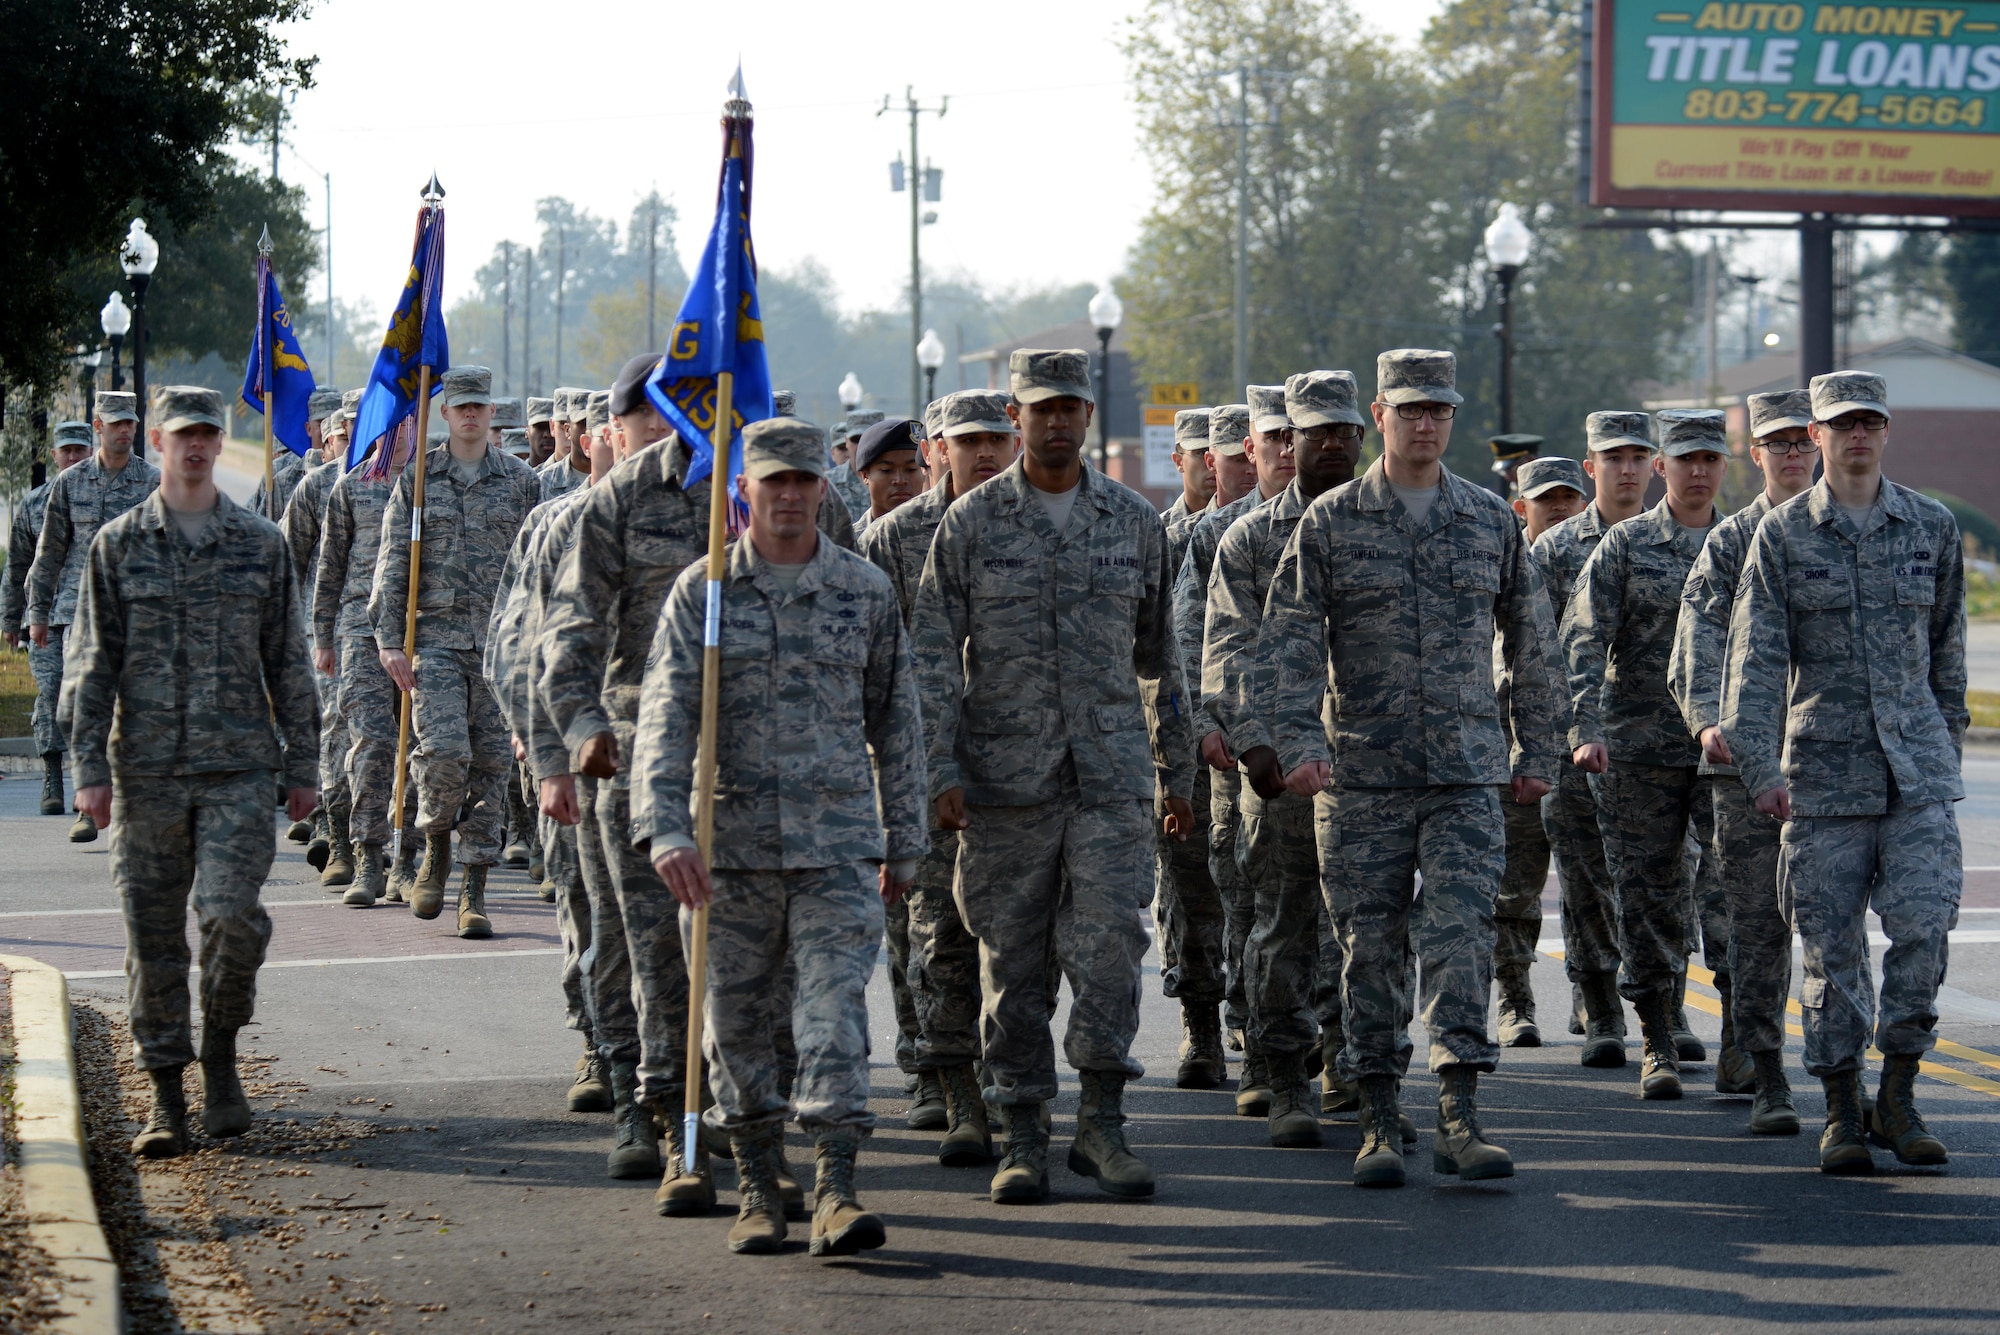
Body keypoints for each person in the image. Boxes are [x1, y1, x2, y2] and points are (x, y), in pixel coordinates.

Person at [1265, 348, 1559, 1189]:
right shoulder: (1330, 522)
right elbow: (1287, 641)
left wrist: (1537, 750)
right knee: (1368, 946)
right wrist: (1298, 743)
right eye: (1409, 409)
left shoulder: (1487, 519)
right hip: (1361, 772)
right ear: (1380, 418)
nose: (1424, 423)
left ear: (1450, 421)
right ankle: (1378, 1114)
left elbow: (1532, 643)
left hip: (1466, 772)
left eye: (1439, 410)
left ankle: (1461, 1111)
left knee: (1461, 935)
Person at [635, 416, 926, 1258]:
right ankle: (760, 1182)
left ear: (823, 489)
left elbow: (897, 719)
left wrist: (903, 838)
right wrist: (663, 830)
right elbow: (665, 717)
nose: (791, 496)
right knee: (735, 1026)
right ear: (745, 493)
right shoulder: (705, 592)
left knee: (834, 1017)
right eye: (775, 483)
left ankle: (837, 1186)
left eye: (804, 481)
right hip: (728, 851)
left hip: (836, 847)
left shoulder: (864, 590)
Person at [913, 348, 1195, 1205]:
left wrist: (1172, 769)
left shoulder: (1132, 521)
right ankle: (1023, 1130)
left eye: (1071, 406)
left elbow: (1163, 659)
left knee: (1112, 951)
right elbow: (930, 655)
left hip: (1109, 779)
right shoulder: (972, 524)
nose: (1059, 421)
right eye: (1042, 408)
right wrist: (938, 769)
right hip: (1006, 783)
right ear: (1016, 416)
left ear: (1086, 415)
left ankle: (1101, 1125)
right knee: (1013, 964)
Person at [1722, 371, 1966, 1174]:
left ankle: (1897, 1093)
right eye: (1842, 423)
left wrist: (1945, 747)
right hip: (1822, 778)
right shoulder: (1783, 535)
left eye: (1870, 422)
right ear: (1816, 435)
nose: (1857, 435)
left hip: (1916, 776)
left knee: (1925, 931)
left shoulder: (1930, 526)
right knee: (1831, 951)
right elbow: (1753, 664)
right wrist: (1760, 768)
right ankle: (1840, 1106)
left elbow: (1947, 654)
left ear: (1886, 431)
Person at [66, 386, 319, 1159]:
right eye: (184, 435)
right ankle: (168, 1092)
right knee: (153, 938)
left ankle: (220, 1052)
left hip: (238, 768)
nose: (198, 447)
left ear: (221, 439)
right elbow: (90, 662)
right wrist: (87, 769)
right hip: (143, 770)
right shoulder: (118, 544)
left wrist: (304, 764)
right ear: (157, 440)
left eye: (209, 434)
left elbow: (289, 658)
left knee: (231, 916)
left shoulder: (259, 544)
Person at [1200, 369, 1365, 1146]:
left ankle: (1354, 1059)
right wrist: (1256, 746)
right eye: (1313, 432)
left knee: (1369, 926)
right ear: (1286, 441)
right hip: (1283, 769)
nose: (1329, 444)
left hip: (1371, 765)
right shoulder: (1251, 537)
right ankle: (1283, 1069)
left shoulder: (1382, 523)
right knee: (1284, 925)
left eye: (1342, 431)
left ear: (1362, 435)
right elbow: (1228, 647)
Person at [859, 388, 1017, 1165]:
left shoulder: (1033, 521)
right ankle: (946, 1079)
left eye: (996, 437)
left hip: (1021, 765)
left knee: (1017, 941)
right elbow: (870, 659)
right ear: (937, 450)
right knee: (932, 930)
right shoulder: (892, 540)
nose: (983, 452)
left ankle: (999, 1079)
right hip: (923, 763)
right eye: (967, 438)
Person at [1564, 409, 1728, 1100]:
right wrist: (1583, 727)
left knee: (1731, 893)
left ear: (1724, 466)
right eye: (1683, 458)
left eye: (1708, 459)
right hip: (1641, 748)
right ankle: (1657, 1036)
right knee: (1648, 892)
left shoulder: (1747, 540)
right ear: (1664, 468)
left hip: (1728, 749)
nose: (1696, 471)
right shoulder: (1627, 546)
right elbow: (1581, 637)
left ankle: (1747, 1040)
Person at [1670, 389, 1817, 1135]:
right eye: (1776, 443)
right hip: (1743, 762)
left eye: (1802, 441)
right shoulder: (1730, 542)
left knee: (1829, 929)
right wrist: (1706, 723)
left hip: (1831, 761)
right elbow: (1695, 639)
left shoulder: (1839, 529)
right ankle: (1765, 1069)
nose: (1791, 454)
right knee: (1756, 925)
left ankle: (1851, 1076)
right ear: (1754, 454)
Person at [371, 365, 540, 927]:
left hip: (499, 647)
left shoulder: (521, 482)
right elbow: (394, 562)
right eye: (460, 406)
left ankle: (475, 888)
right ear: (443, 414)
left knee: (491, 766)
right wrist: (390, 639)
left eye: (479, 406)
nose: (470, 414)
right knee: (445, 755)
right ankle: (436, 841)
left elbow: (539, 571)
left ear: (492, 414)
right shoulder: (418, 478)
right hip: (436, 643)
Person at [1176, 383, 1297, 1115]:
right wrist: (1205, 724)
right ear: (1249, 448)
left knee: (1319, 906)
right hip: (1240, 751)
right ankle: (1247, 1035)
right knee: (1242, 895)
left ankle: (1332, 1051)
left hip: (1327, 749)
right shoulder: (1219, 535)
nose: (1287, 450)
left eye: (1299, 435)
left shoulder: (1342, 524)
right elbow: (1193, 636)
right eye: (1274, 437)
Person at [1532, 412, 1656, 1066]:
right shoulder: (1554, 550)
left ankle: (1658, 1010)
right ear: (1591, 466)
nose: (1627, 468)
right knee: (1584, 881)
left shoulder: (1682, 540)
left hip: (1658, 743)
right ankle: (1602, 1004)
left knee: (1665, 881)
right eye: (1614, 456)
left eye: (1639, 455)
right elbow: (1527, 648)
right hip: (1572, 745)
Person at [27, 388, 160, 844]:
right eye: (117, 422)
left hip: (137, 615)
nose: (126, 430)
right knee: (84, 711)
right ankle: (87, 802)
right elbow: (49, 554)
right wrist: (37, 613)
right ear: (98, 426)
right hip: (79, 613)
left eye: (132, 423)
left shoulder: (153, 483)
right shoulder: (70, 483)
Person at [1490, 455, 1588, 1047]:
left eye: (1568, 498)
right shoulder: (1502, 564)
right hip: (1514, 745)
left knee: (1586, 885)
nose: (1559, 508)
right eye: (1546, 499)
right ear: (1521, 506)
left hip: (1580, 747)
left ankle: (1588, 999)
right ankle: (1515, 1001)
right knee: (1515, 887)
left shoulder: (1592, 557)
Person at [314, 398, 417, 908]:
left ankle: (408, 859)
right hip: (360, 632)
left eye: (408, 423)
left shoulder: (431, 486)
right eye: (391, 425)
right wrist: (322, 637)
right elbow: (329, 569)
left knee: (419, 750)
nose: (398, 435)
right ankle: (368, 855)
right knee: (371, 746)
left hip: (423, 636)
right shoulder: (352, 486)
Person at [280, 390, 361, 885]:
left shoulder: (403, 481)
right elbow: (289, 562)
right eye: (346, 432)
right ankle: (334, 830)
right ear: (331, 438)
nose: (356, 439)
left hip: (391, 633)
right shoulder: (316, 488)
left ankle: (379, 834)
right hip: (327, 630)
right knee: (334, 728)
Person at [6, 419, 92, 816]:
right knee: (51, 692)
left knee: (88, 699)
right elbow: (18, 565)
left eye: (80, 449)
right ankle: (52, 773)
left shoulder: (102, 494)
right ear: (54, 455)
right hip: (44, 618)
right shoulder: (35, 503)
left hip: (90, 616)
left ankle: (90, 781)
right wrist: (10, 620)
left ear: (90, 450)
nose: (73, 456)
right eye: (67, 450)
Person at [251, 386, 342, 521]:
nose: (327, 430)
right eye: (321, 423)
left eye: (334, 424)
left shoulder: (354, 472)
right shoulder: (283, 476)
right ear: (308, 428)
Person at [853, 417, 928, 529]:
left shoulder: (945, 533)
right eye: (886, 470)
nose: (900, 480)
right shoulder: (852, 543)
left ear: (924, 472)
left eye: (911, 469)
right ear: (865, 475)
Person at [1164, 409, 1217, 527]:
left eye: (1221, 452)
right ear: (1179, 461)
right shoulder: (1159, 532)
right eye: (1201, 453)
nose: (1212, 463)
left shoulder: (1250, 527)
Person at [540, 388, 592, 502]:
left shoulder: (616, 481)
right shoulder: (541, 484)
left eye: (593, 425)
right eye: (583, 424)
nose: (589, 432)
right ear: (567, 430)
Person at [827, 410, 879, 522]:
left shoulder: (898, 481)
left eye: (869, 438)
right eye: (856, 439)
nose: (862, 445)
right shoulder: (828, 483)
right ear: (846, 440)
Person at [526, 396, 558, 468]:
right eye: (540, 427)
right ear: (527, 432)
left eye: (552, 428)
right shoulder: (514, 475)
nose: (547, 435)